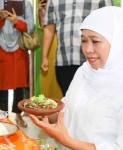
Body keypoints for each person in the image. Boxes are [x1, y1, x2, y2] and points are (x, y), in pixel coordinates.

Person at [30, 6, 123, 150]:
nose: (87, 49)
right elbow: (66, 109)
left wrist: (67, 141)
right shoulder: (84, 71)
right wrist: (42, 111)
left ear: (118, 42)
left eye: (95, 41)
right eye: (84, 41)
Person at [41, 0, 113, 96]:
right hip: (63, 60)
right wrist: (44, 56)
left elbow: (111, 24)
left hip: (92, 61)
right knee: (68, 100)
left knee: (93, 100)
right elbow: (50, 27)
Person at [0, 0, 34, 127]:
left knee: (19, 86)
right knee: (1, 87)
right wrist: (0, 20)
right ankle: (3, 118)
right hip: (0, 51)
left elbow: (31, 27)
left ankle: (18, 115)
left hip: (19, 51)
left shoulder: (24, 4)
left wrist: (16, 21)